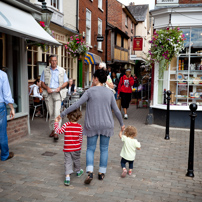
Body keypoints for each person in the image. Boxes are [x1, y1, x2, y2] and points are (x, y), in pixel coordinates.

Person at [57, 69, 125, 184]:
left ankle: (90, 172)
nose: (92, 79)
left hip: (92, 124)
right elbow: (117, 111)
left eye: (93, 77)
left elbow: (77, 104)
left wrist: (62, 114)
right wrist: (122, 124)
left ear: (96, 79)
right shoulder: (110, 93)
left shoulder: (90, 91)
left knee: (90, 149)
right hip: (106, 125)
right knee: (104, 149)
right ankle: (101, 173)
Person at [41, 55, 68, 141]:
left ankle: (56, 131)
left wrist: (60, 88)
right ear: (50, 61)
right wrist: (47, 88)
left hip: (58, 93)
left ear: (57, 61)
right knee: (51, 113)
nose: (54, 62)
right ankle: (52, 130)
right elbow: (42, 83)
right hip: (48, 94)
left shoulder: (62, 70)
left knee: (57, 113)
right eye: (52, 61)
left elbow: (66, 82)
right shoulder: (45, 71)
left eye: (55, 60)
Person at [54, 108, 83, 186]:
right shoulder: (79, 127)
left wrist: (56, 123)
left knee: (68, 162)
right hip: (76, 148)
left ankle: (67, 178)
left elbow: (58, 131)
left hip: (67, 148)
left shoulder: (66, 125)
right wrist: (79, 146)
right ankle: (78, 171)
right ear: (78, 117)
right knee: (77, 160)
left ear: (68, 116)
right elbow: (80, 139)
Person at [0, 69, 15, 161]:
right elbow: (6, 94)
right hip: (0, 105)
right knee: (2, 133)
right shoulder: (2, 75)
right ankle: (5, 155)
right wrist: (12, 108)